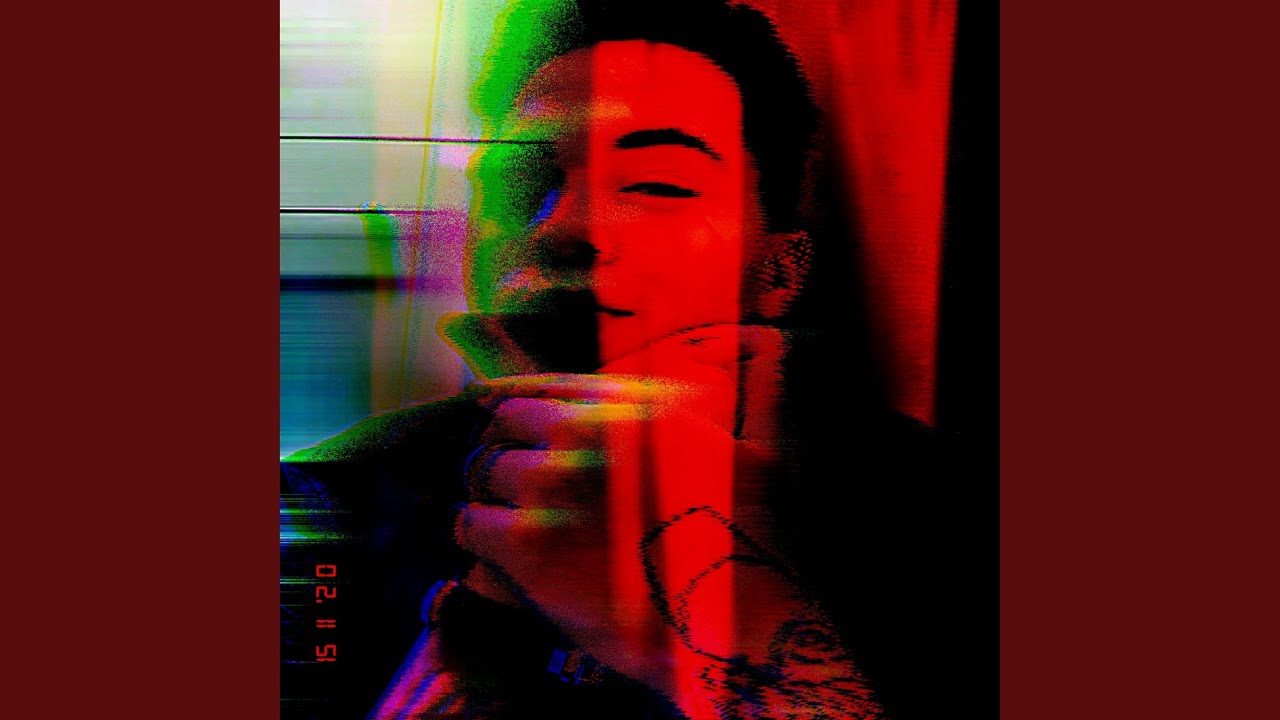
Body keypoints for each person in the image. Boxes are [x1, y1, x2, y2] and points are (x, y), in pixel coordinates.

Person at [283, 1, 978, 718]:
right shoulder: (334, 496)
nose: (563, 227)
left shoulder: (942, 525)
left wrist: (726, 620)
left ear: (781, 269)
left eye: (657, 184)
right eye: (521, 180)